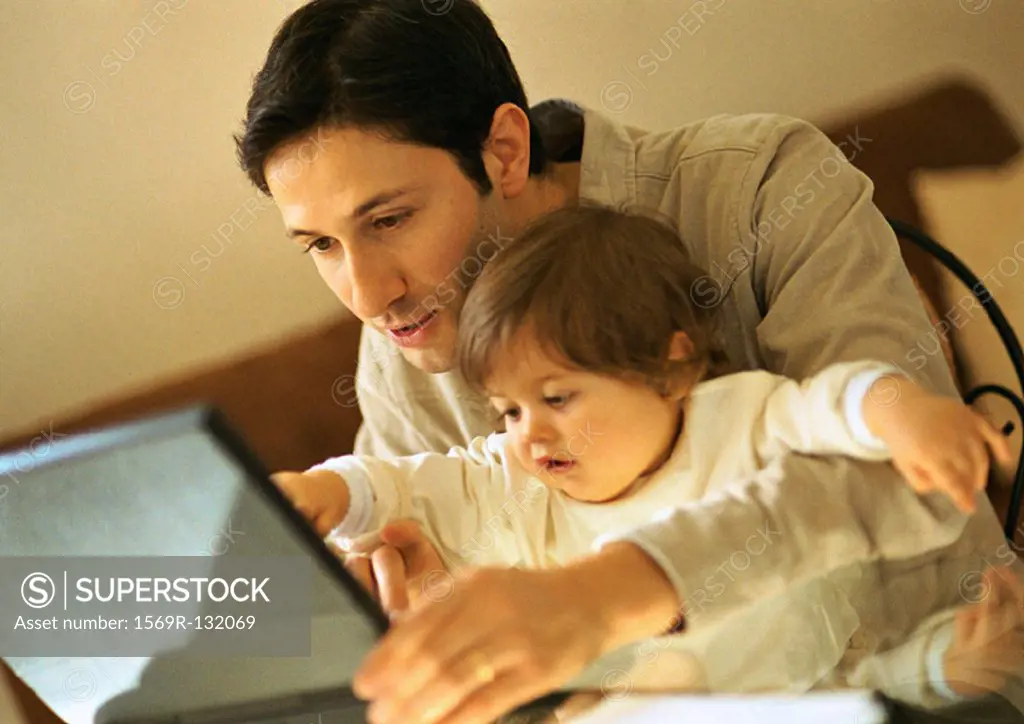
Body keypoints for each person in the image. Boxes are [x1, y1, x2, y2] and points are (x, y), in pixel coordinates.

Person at [234, 0, 1015, 719]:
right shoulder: (398, 350)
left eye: (390, 219)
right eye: (322, 246)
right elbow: (403, 529)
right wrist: (400, 608)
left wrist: (608, 594)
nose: (367, 295)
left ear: (505, 150)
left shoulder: (757, 188)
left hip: (939, 678)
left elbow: (911, 473)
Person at [272, 205, 1015, 717]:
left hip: (809, 693)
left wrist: (902, 410)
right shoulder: (515, 474)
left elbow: (833, 402)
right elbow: (405, 485)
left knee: (948, 664)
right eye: (507, 409)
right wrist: (327, 493)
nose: (527, 433)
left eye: (558, 397)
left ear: (671, 361)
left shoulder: (740, 418)